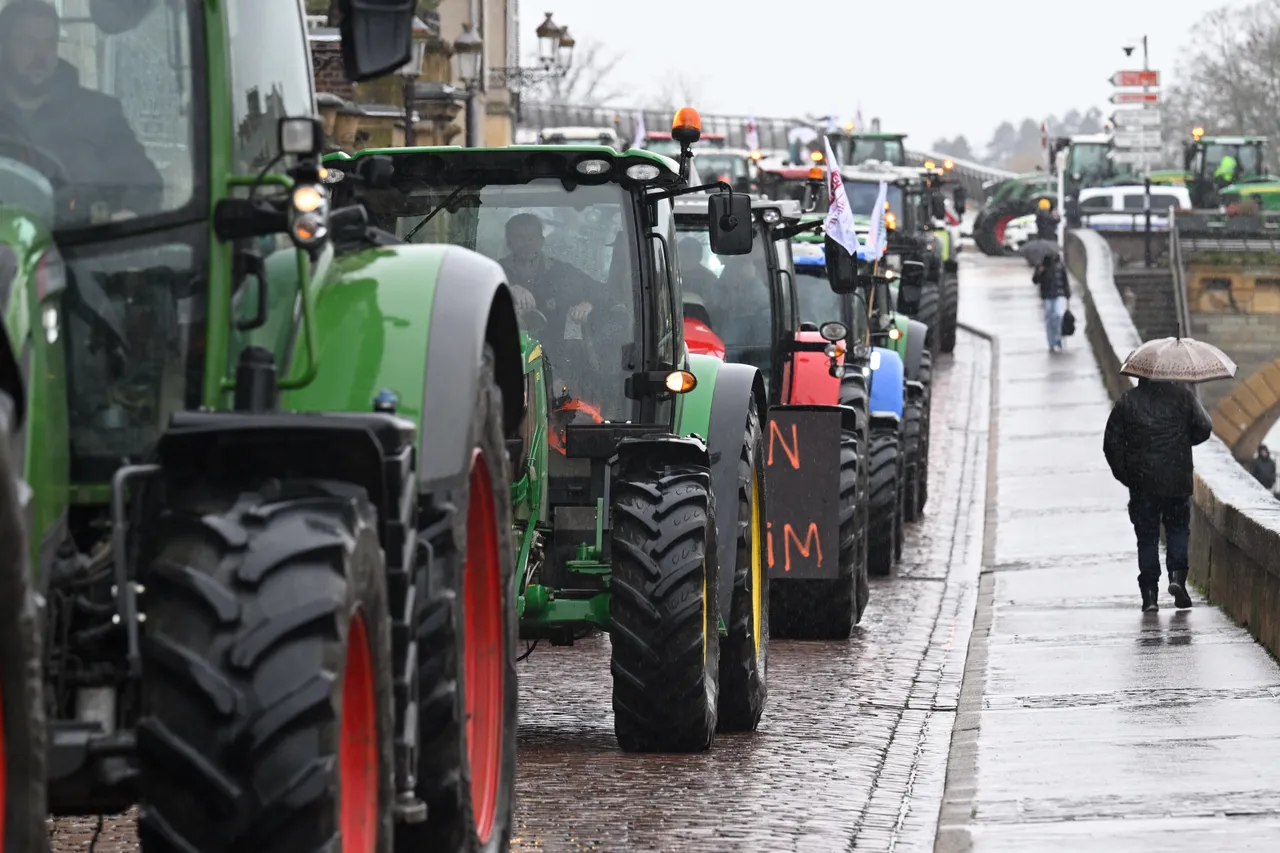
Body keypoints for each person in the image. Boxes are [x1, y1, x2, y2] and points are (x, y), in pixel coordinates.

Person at [0, 0, 163, 222]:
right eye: (27, 42)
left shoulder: (100, 114)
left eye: (49, 43)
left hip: (82, 247)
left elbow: (147, 184)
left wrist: (131, 212)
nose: (41, 55)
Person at [1103, 377, 1213, 612]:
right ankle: (1177, 578)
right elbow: (1204, 428)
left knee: (1147, 538)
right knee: (1177, 529)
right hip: (1177, 479)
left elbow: (1111, 444)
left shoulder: (1127, 402)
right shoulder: (1183, 397)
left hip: (1143, 484)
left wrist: (1127, 475)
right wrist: (1183, 439)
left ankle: (1150, 595)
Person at [500, 212, 598, 341]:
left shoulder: (561, 273)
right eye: (520, 238)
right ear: (509, 243)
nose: (527, 243)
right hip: (502, 352)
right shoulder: (493, 272)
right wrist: (506, 289)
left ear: (542, 241)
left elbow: (604, 292)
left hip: (551, 357)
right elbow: (471, 296)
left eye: (532, 237)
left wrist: (589, 303)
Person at [1032, 250, 1071, 352]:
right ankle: (1051, 343)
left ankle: (1058, 338)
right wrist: (1039, 271)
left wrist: (1067, 295)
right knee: (1049, 318)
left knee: (1058, 315)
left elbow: (1065, 281)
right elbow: (1035, 281)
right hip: (1047, 296)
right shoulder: (1042, 267)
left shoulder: (1060, 266)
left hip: (1059, 294)